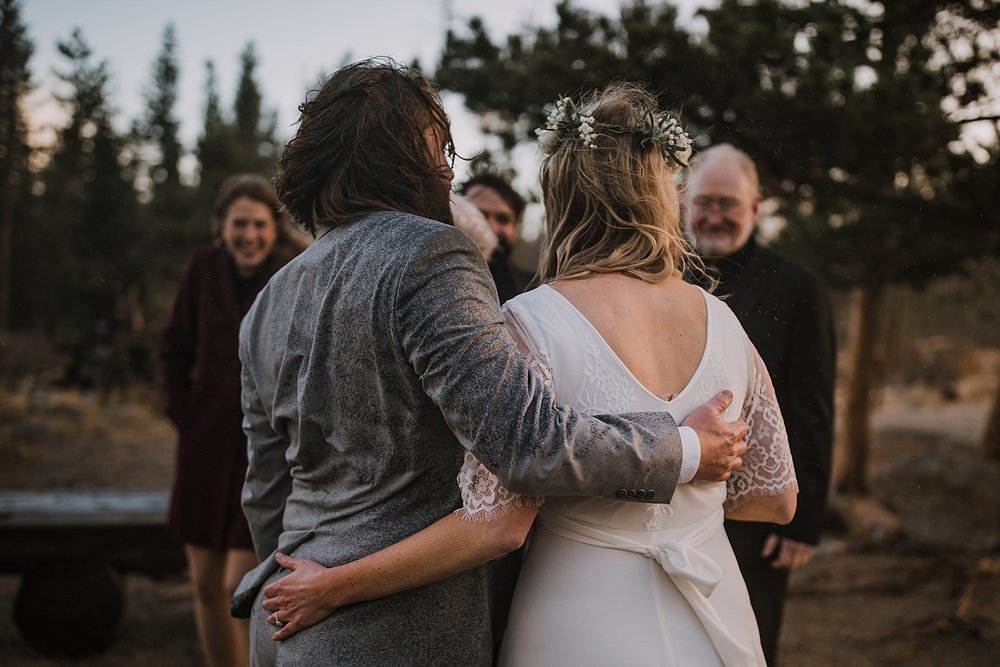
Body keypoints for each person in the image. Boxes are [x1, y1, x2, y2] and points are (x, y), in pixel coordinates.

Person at [256, 82, 800, 666]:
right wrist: (682, 487)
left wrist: (298, 581)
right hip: (712, 608)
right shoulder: (724, 321)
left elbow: (495, 523)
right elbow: (776, 501)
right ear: (661, 194)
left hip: (574, 615)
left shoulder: (526, 320)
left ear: (560, 195)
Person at [684, 143, 837, 666]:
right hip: (669, 495)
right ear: (683, 203)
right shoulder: (659, 276)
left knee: (748, 642)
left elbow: (812, 407)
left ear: (756, 207)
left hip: (758, 511)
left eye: (728, 203)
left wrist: (804, 520)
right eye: (704, 201)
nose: (714, 215)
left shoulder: (798, 288)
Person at [159, 174, 307, 667]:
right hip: (202, 448)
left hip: (263, 454)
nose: (250, 235)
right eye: (239, 224)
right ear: (221, 227)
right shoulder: (203, 267)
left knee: (238, 588)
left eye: (259, 224)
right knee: (203, 586)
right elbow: (174, 349)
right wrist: (186, 412)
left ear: (274, 227)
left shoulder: (291, 274)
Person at [459, 173, 533, 304]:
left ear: (515, 228)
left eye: (503, 219)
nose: (492, 228)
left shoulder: (534, 291)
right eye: (480, 214)